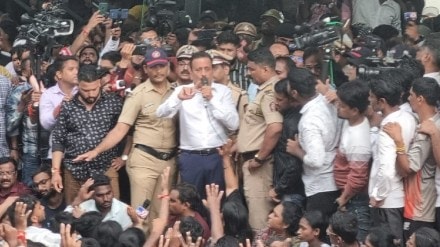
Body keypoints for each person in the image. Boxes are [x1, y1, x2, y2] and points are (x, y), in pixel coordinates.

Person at [73, 47, 178, 221]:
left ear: (168, 66)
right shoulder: (138, 94)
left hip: (169, 161)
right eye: (153, 67)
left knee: (161, 215)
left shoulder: (177, 93)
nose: (158, 71)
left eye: (161, 65)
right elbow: (121, 128)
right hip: (145, 160)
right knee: (141, 214)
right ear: (145, 69)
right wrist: (96, 151)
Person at [156, 51, 239, 197]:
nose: (203, 74)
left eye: (207, 69)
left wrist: (212, 99)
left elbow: (233, 124)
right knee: (192, 203)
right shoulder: (181, 90)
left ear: (212, 70)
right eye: (198, 70)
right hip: (191, 157)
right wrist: (179, 99)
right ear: (191, 72)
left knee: (219, 201)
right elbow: (161, 113)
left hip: (217, 155)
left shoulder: (223, 92)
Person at [51, 64, 122, 204]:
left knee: (112, 214)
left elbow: (126, 130)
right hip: (75, 171)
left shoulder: (113, 102)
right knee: (75, 214)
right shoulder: (67, 106)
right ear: (78, 85)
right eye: (85, 90)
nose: (91, 94)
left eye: (94, 89)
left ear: (100, 84)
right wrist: (55, 172)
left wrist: (124, 156)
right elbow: (58, 140)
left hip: (106, 167)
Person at [382, 77, 440, 240]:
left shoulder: (428, 129)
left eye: (412, 95)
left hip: (420, 208)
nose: (408, 98)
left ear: (420, 99)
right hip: (421, 204)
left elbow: (406, 168)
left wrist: (398, 141)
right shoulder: (425, 123)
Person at [236, 48, 282, 232]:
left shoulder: (271, 92)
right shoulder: (263, 90)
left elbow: (275, 127)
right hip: (251, 161)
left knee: (260, 220)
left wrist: (259, 158)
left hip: (260, 165)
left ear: (265, 69)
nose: (248, 73)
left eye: (252, 69)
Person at [285, 68, 340, 220]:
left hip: (320, 185)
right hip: (334, 178)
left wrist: (297, 151)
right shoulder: (327, 101)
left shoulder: (309, 121)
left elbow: (316, 160)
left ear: (294, 93)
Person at [368, 77, 417, 244]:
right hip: (400, 196)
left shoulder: (388, 127)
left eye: (372, 97)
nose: (370, 100)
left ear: (382, 101)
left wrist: (377, 195)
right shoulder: (409, 117)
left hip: (387, 201)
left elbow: (387, 169)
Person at [333, 80, 372, 242]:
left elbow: (358, 177)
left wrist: (343, 199)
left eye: (342, 105)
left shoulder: (358, 140)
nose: (337, 107)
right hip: (349, 196)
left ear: (355, 110)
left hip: (353, 199)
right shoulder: (351, 122)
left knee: (355, 240)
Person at [39, 56, 79, 159]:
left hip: (82, 152)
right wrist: (61, 107)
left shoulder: (84, 91)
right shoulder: (48, 94)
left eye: (78, 69)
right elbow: (46, 124)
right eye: (71, 69)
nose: (76, 72)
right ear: (59, 74)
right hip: (58, 154)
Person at [271, 78, 304, 203]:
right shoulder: (288, 117)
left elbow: (294, 164)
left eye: (279, 100)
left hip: (291, 190)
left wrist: (278, 188)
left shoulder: (292, 124)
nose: (276, 103)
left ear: (292, 100)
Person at [64, 174, 133, 230]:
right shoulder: (84, 207)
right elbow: (62, 220)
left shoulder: (124, 210)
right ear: (92, 196)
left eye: (108, 193)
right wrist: (79, 198)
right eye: (100, 195)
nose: (106, 199)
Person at [209, 49, 248, 123]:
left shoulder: (239, 95)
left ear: (226, 69)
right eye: (207, 68)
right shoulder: (202, 91)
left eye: (213, 68)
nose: (209, 72)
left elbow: (243, 125)